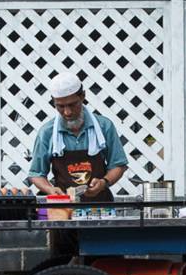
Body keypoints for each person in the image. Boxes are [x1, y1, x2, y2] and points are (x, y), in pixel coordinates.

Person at [28, 72, 128, 258]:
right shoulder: (47, 133)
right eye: (60, 106)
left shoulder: (104, 126)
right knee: (64, 266)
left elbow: (119, 165)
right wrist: (50, 190)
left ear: (82, 96)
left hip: (100, 210)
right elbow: (36, 174)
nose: (67, 112)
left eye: (72, 105)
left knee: (104, 266)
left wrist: (104, 182)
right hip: (64, 214)